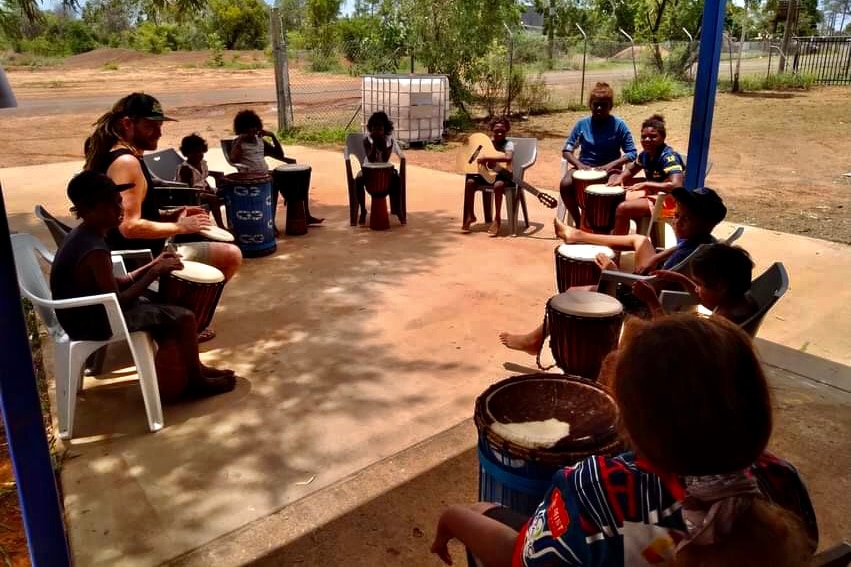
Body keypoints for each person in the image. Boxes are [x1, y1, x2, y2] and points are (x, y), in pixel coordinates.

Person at [433, 315, 819, 567]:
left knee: (480, 511)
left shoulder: (597, 490)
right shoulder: (783, 480)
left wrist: (453, 517)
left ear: (632, 425)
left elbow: (523, 560)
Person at [50, 171, 237, 402]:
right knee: (185, 317)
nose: (120, 210)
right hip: (94, 323)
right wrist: (154, 273)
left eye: (119, 202)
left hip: (88, 313)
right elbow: (119, 300)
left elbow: (116, 283)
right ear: (89, 209)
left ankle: (194, 369)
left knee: (167, 311)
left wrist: (152, 265)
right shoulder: (94, 249)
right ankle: (196, 381)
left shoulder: (86, 235)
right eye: (111, 205)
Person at [84, 93, 242, 343]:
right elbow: (128, 226)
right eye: (150, 126)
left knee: (224, 252)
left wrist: (172, 214)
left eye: (159, 126)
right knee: (230, 255)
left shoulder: (125, 155)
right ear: (127, 124)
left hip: (145, 253)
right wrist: (178, 226)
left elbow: (134, 212)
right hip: (141, 260)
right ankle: (180, 323)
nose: (158, 132)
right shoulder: (126, 162)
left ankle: (179, 317)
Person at [500, 186, 727, 355]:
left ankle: (536, 340)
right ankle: (576, 235)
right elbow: (677, 253)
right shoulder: (702, 242)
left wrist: (613, 271)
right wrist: (658, 256)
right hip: (653, 286)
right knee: (640, 240)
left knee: (571, 293)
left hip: (644, 301)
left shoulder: (693, 252)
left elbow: (648, 286)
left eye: (685, 218)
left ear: (706, 224)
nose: (677, 221)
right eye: (677, 215)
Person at [229, 109, 323, 231]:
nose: (252, 131)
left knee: (300, 177)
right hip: (251, 177)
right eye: (248, 128)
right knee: (277, 183)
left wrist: (272, 136)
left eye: (254, 127)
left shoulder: (260, 141)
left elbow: (279, 154)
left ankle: (306, 214)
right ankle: (271, 222)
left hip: (266, 174)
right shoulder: (239, 142)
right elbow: (233, 159)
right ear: (242, 130)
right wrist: (240, 140)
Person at [560, 82, 637, 228]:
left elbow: (632, 153)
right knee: (565, 184)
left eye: (604, 105)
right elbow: (567, 151)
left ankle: (609, 227)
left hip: (611, 169)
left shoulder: (619, 125)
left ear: (610, 106)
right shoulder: (582, 125)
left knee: (613, 189)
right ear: (590, 105)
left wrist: (610, 166)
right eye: (596, 105)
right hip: (584, 168)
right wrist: (579, 165)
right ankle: (578, 223)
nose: (600, 108)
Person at [632, 243, 759, 325]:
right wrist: (681, 278)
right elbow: (706, 299)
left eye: (699, 284)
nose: (696, 289)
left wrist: (652, 301)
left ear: (720, 287)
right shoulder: (739, 301)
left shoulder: (722, 323)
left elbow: (666, 336)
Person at [608, 114, 685, 235]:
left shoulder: (669, 157)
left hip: (671, 204)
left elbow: (677, 186)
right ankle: (619, 235)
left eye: (653, 136)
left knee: (623, 208)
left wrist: (646, 184)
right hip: (655, 196)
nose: (647, 140)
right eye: (644, 137)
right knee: (615, 198)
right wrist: (619, 179)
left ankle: (616, 249)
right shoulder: (645, 154)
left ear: (663, 137)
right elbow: (631, 170)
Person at [462, 117, 515, 236]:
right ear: (492, 130)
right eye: (496, 130)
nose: (499, 133)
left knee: (498, 185)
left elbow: (508, 158)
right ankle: (470, 214)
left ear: (507, 130)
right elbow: (474, 156)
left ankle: (497, 219)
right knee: (470, 182)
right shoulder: (486, 143)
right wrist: (467, 145)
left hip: (503, 176)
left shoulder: (509, 144)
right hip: (487, 176)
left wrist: (487, 158)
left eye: (502, 130)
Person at [355, 111, 403, 226]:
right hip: (368, 171)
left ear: (385, 129)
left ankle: (398, 209)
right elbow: (371, 159)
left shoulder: (389, 140)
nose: (377, 130)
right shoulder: (367, 140)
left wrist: (381, 143)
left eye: (380, 128)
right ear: (370, 129)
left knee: (397, 180)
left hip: (385, 171)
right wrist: (375, 144)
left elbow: (386, 159)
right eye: (374, 128)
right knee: (358, 181)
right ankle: (363, 210)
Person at [177, 133, 227, 230]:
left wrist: (209, 188)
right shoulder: (186, 169)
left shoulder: (202, 164)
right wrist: (205, 192)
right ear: (186, 153)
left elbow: (203, 179)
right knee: (213, 199)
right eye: (194, 152)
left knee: (225, 192)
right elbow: (188, 188)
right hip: (191, 194)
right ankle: (221, 226)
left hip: (203, 190)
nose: (198, 155)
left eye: (200, 152)